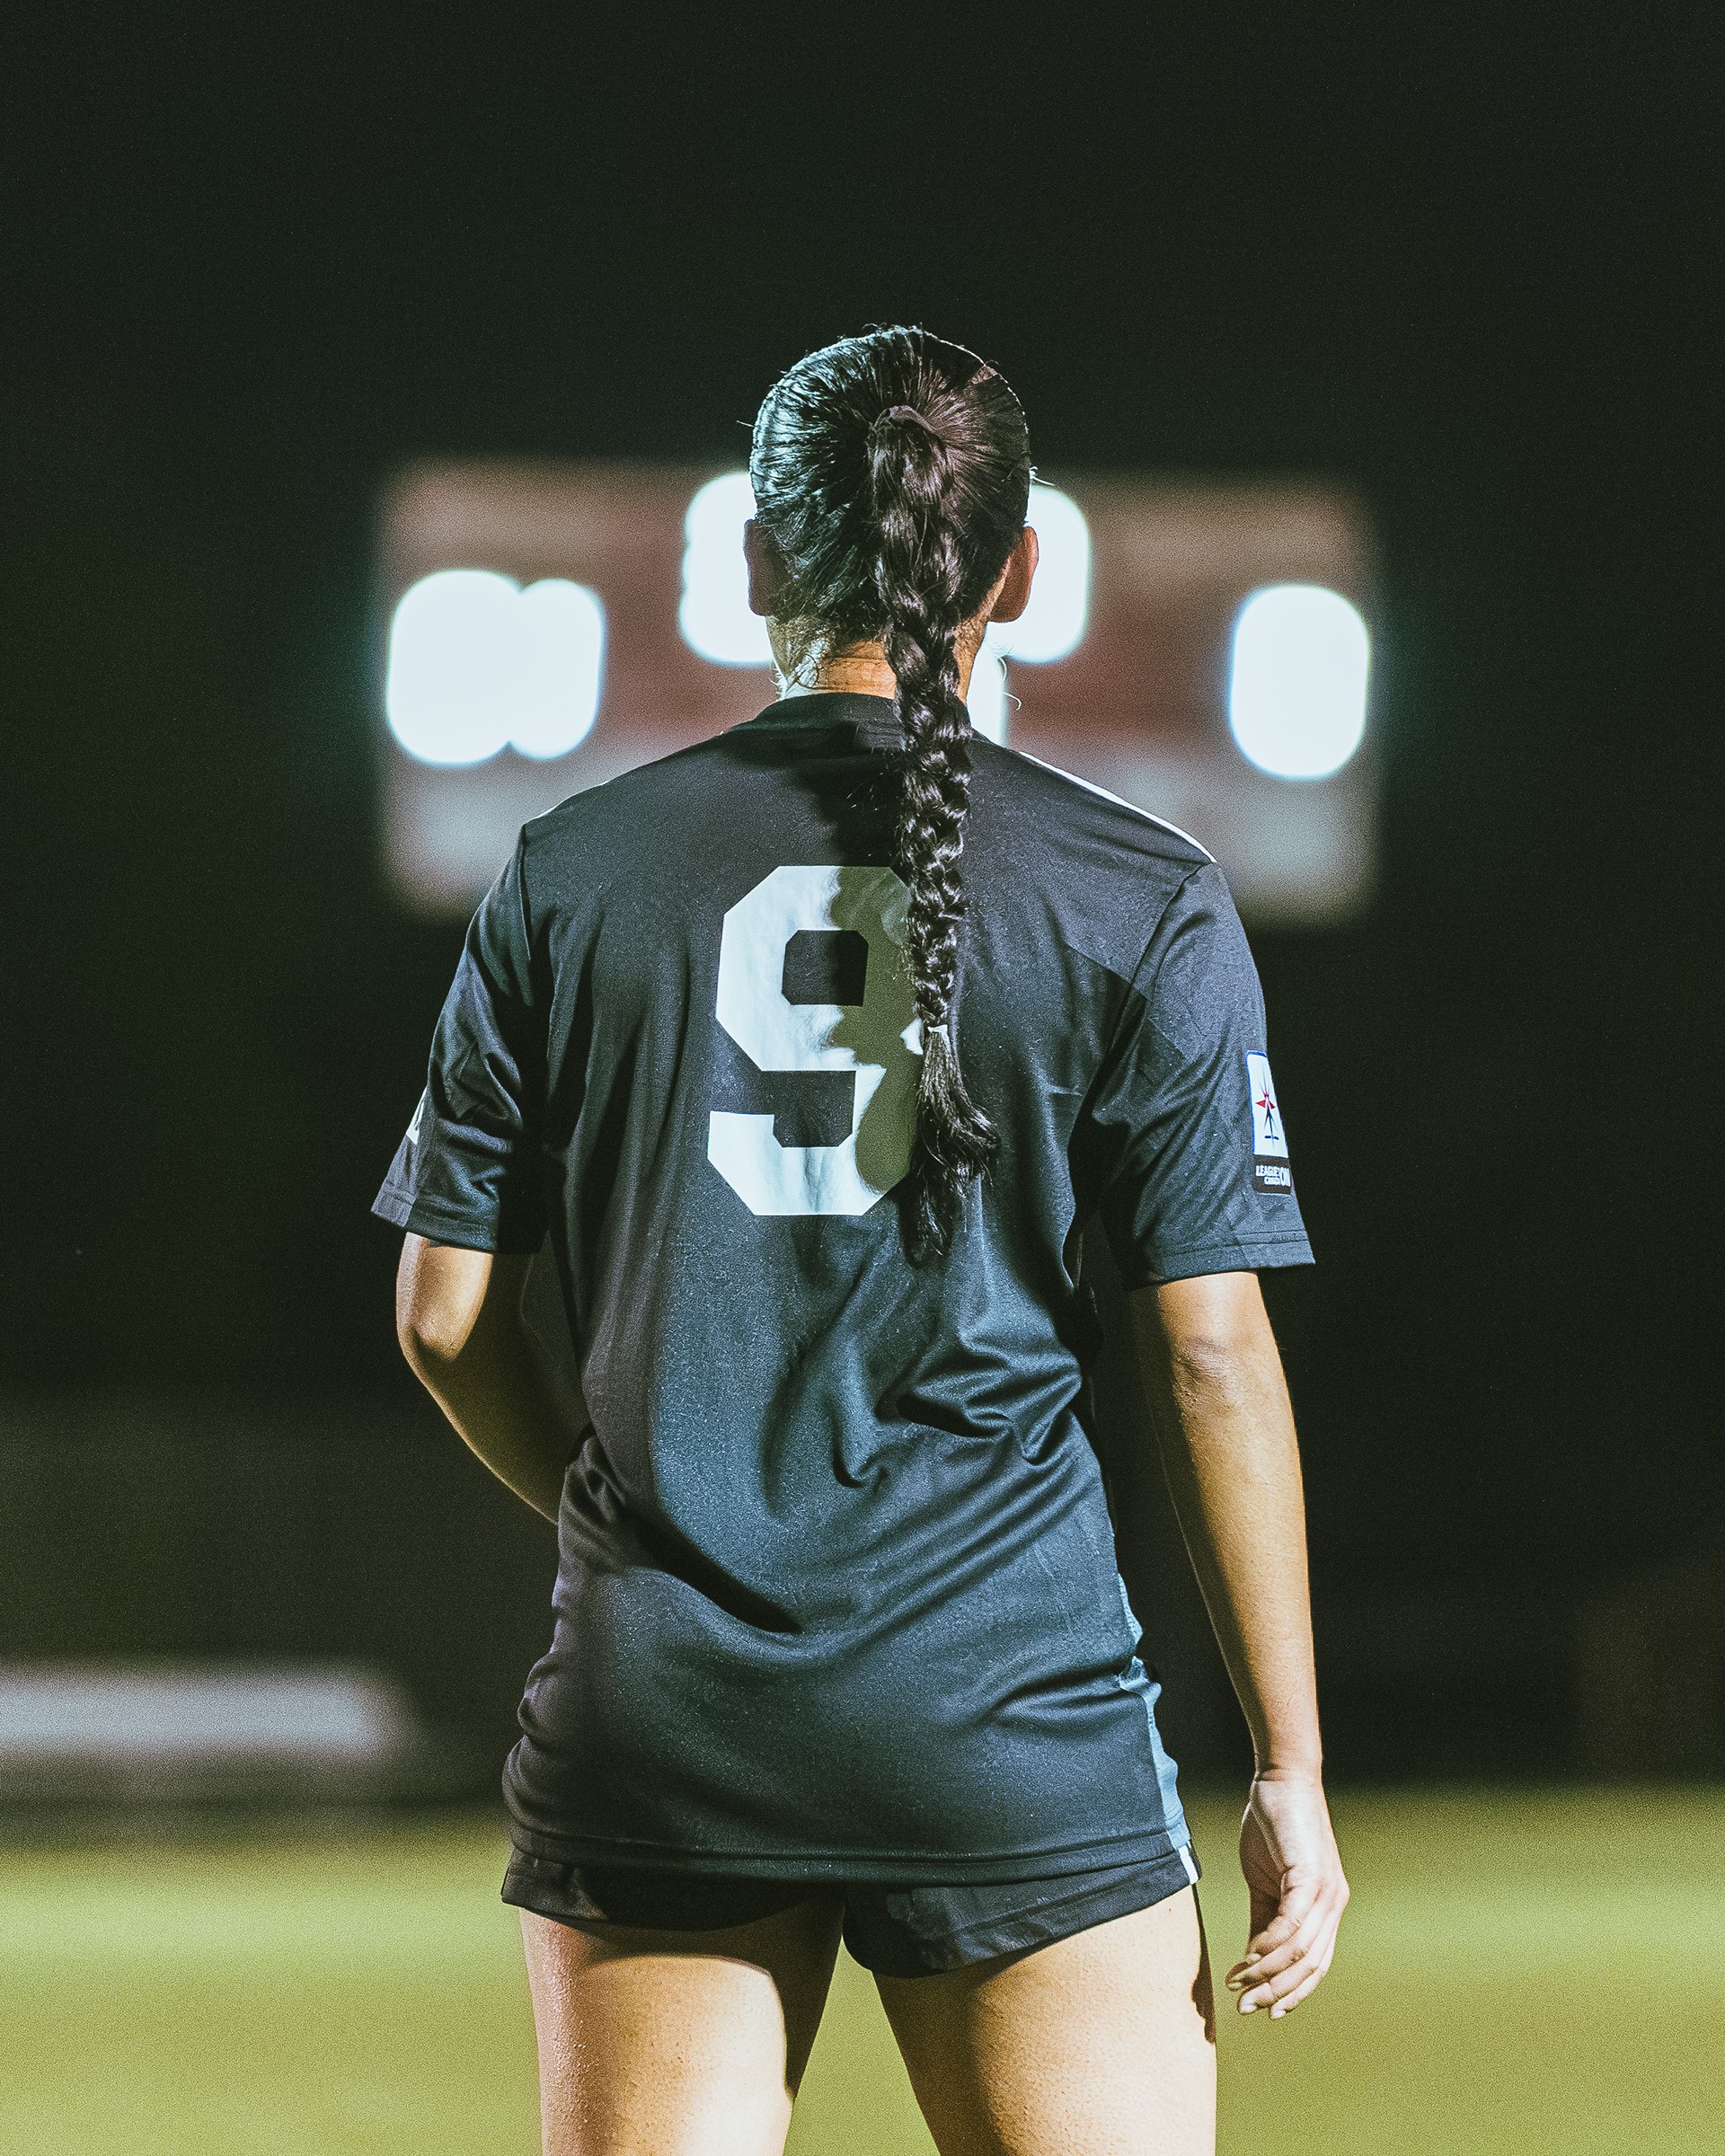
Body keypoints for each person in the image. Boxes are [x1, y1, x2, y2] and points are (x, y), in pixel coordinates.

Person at [376, 326, 1348, 2156]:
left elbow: (441, 1318)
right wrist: (1288, 1765)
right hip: (1012, 1707)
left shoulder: (571, 870)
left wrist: (629, 1510)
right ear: (1023, 575)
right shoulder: (1146, 898)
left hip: (668, 1708)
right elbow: (1212, 1350)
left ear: (752, 553)